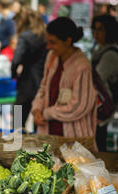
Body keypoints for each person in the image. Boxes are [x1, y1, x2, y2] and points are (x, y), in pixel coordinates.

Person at [31, 17, 98, 141]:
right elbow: (43, 88)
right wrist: (36, 109)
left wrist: (47, 113)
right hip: (48, 132)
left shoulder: (82, 66)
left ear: (68, 41)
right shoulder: (52, 57)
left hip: (72, 135)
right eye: (48, 42)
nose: (49, 47)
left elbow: (79, 105)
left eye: (53, 42)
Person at [11, 8, 47, 127]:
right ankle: (42, 146)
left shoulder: (25, 36)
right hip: (44, 82)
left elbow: (16, 60)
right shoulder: (46, 35)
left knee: (17, 124)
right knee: (41, 124)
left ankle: (17, 145)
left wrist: (14, 74)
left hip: (26, 83)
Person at [91, 14, 118, 151]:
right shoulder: (99, 50)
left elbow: (98, 78)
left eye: (100, 29)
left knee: (99, 144)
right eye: (94, 30)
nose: (96, 33)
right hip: (101, 108)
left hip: (105, 108)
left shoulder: (110, 54)